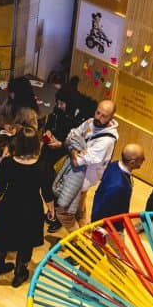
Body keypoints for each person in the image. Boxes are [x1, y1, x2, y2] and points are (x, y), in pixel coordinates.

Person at [0, 133, 50, 286]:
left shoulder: (7, 163)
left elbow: (0, 186)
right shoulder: (42, 166)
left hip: (10, 204)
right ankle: (19, 274)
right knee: (26, 242)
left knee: (3, 236)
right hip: (31, 207)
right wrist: (51, 210)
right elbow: (47, 192)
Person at [53, 99, 119, 230]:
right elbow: (72, 135)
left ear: (111, 118)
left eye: (104, 116)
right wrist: (76, 148)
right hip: (77, 174)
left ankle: (77, 239)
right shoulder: (90, 122)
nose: (98, 118)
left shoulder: (106, 141)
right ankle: (84, 227)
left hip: (85, 178)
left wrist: (73, 148)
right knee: (80, 204)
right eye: (98, 113)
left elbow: (77, 161)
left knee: (63, 213)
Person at [90, 143, 147, 222]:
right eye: (142, 159)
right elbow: (104, 207)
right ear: (132, 163)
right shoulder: (119, 186)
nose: (144, 160)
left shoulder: (114, 164)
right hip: (110, 223)